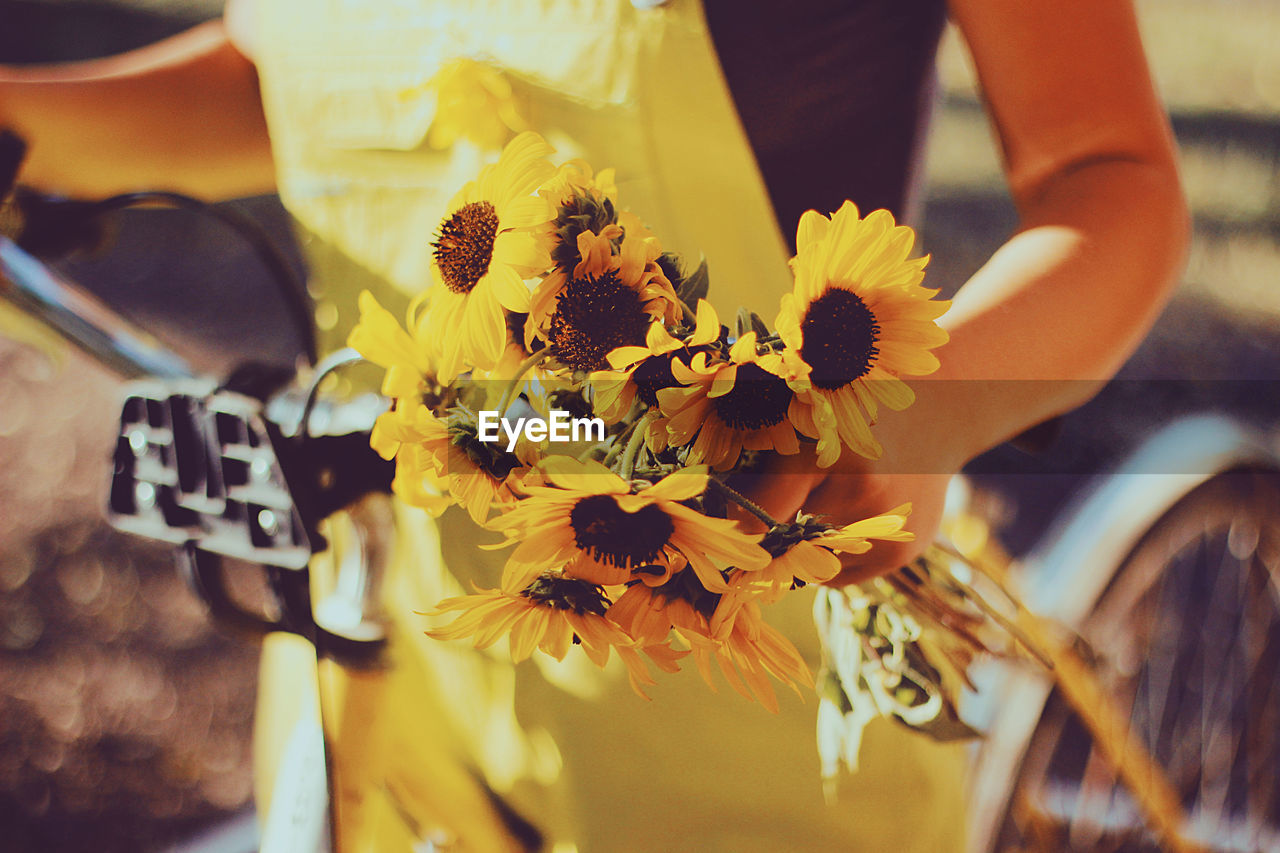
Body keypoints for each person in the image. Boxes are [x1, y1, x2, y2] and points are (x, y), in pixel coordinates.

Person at [0, 0, 1188, 849]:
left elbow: (1108, 175)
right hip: (382, 621)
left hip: (747, 655)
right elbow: (289, 70)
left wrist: (914, 411)